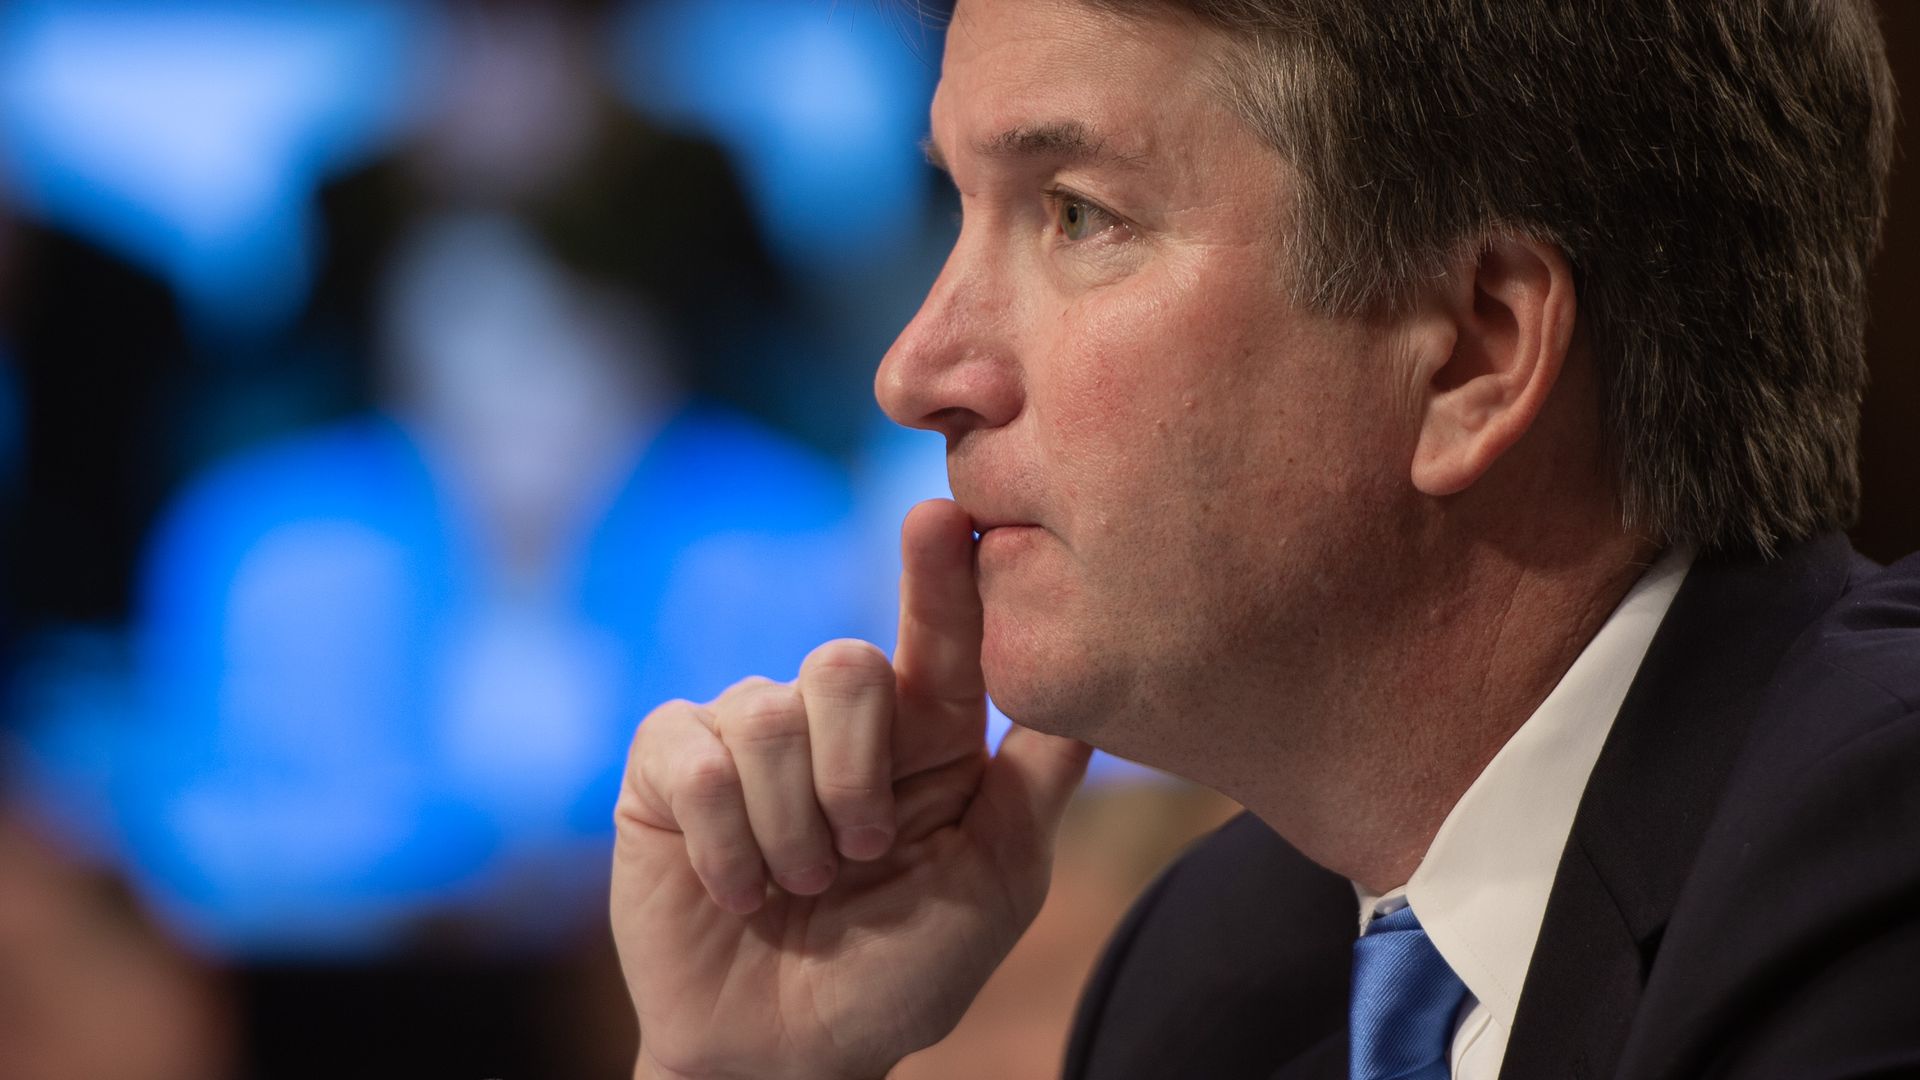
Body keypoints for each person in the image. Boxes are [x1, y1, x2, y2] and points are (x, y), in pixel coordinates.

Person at [609, 1, 1917, 1077]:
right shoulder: (1215, 981)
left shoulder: (1873, 872)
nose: (916, 370)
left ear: (1474, 352)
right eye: (957, 204)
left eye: (1073, 214)